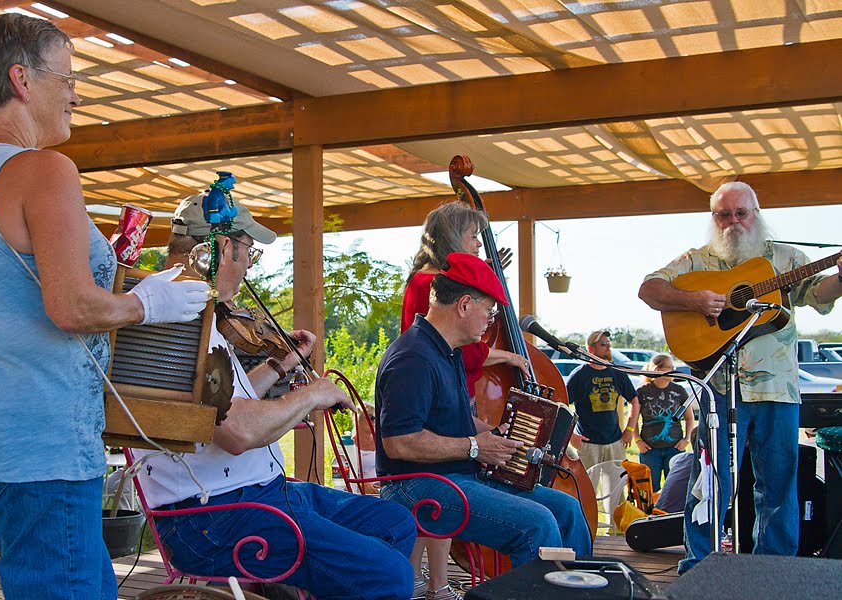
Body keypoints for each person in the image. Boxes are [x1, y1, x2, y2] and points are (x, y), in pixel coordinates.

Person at [0, 14, 212, 599]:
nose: (75, 93)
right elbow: (69, 307)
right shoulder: (42, 169)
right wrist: (147, 302)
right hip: (39, 448)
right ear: (21, 80)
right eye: (65, 77)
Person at [132, 194, 417, 600]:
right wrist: (311, 395)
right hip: (211, 518)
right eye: (248, 252)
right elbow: (235, 433)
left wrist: (281, 365)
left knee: (394, 522)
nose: (248, 265)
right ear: (220, 248)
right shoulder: (175, 318)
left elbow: (220, 401)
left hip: (256, 493)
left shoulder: (195, 308)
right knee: (388, 576)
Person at [638, 181, 842, 573]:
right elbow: (649, 289)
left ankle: (774, 571)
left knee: (779, 484)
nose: (733, 221)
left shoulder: (784, 259)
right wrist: (694, 300)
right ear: (714, 218)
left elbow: (818, 294)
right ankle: (700, 566)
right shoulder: (696, 261)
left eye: (741, 213)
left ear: (756, 214)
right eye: (724, 214)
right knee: (710, 482)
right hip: (718, 388)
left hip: (776, 388)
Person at [376, 252, 591, 588]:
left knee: (567, 509)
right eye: (489, 313)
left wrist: (495, 436)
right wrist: (477, 448)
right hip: (414, 486)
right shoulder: (413, 357)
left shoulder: (444, 352)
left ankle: (583, 594)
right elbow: (399, 442)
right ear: (464, 305)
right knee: (536, 524)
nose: (490, 321)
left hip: (454, 476)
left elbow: (456, 419)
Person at [401, 202, 529, 599]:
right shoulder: (430, 283)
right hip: (438, 396)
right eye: (474, 236)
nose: (478, 243)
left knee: (437, 498)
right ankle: (432, 583)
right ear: (455, 236)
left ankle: (422, 580)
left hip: (444, 393)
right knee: (445, 487)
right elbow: (458, 347)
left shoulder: (428, 278)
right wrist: (509, 356)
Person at [567, 330, 639, 469]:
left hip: (615, 442)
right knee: (587, 489)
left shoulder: (617, 373)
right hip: (587, 443)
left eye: (608, 343)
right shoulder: (579, 375)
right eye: (603, 344)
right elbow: (562, 405)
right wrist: (571, 435)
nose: (608, 347)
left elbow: (634, 401)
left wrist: (630, 429)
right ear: (591, 349)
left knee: (616, 489)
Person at [629, 354, 696, 491]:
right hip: (650, 449)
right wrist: (638, 440)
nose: (672, 370)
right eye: (669, 367)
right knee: (649, 488)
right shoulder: (642, 392)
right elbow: (633, 418)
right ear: (658, 370)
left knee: (675, 487)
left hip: (674, 447)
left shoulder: (679, 391)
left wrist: (686, 439)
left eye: (673, 367)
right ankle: (651, 512)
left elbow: (689, 418)